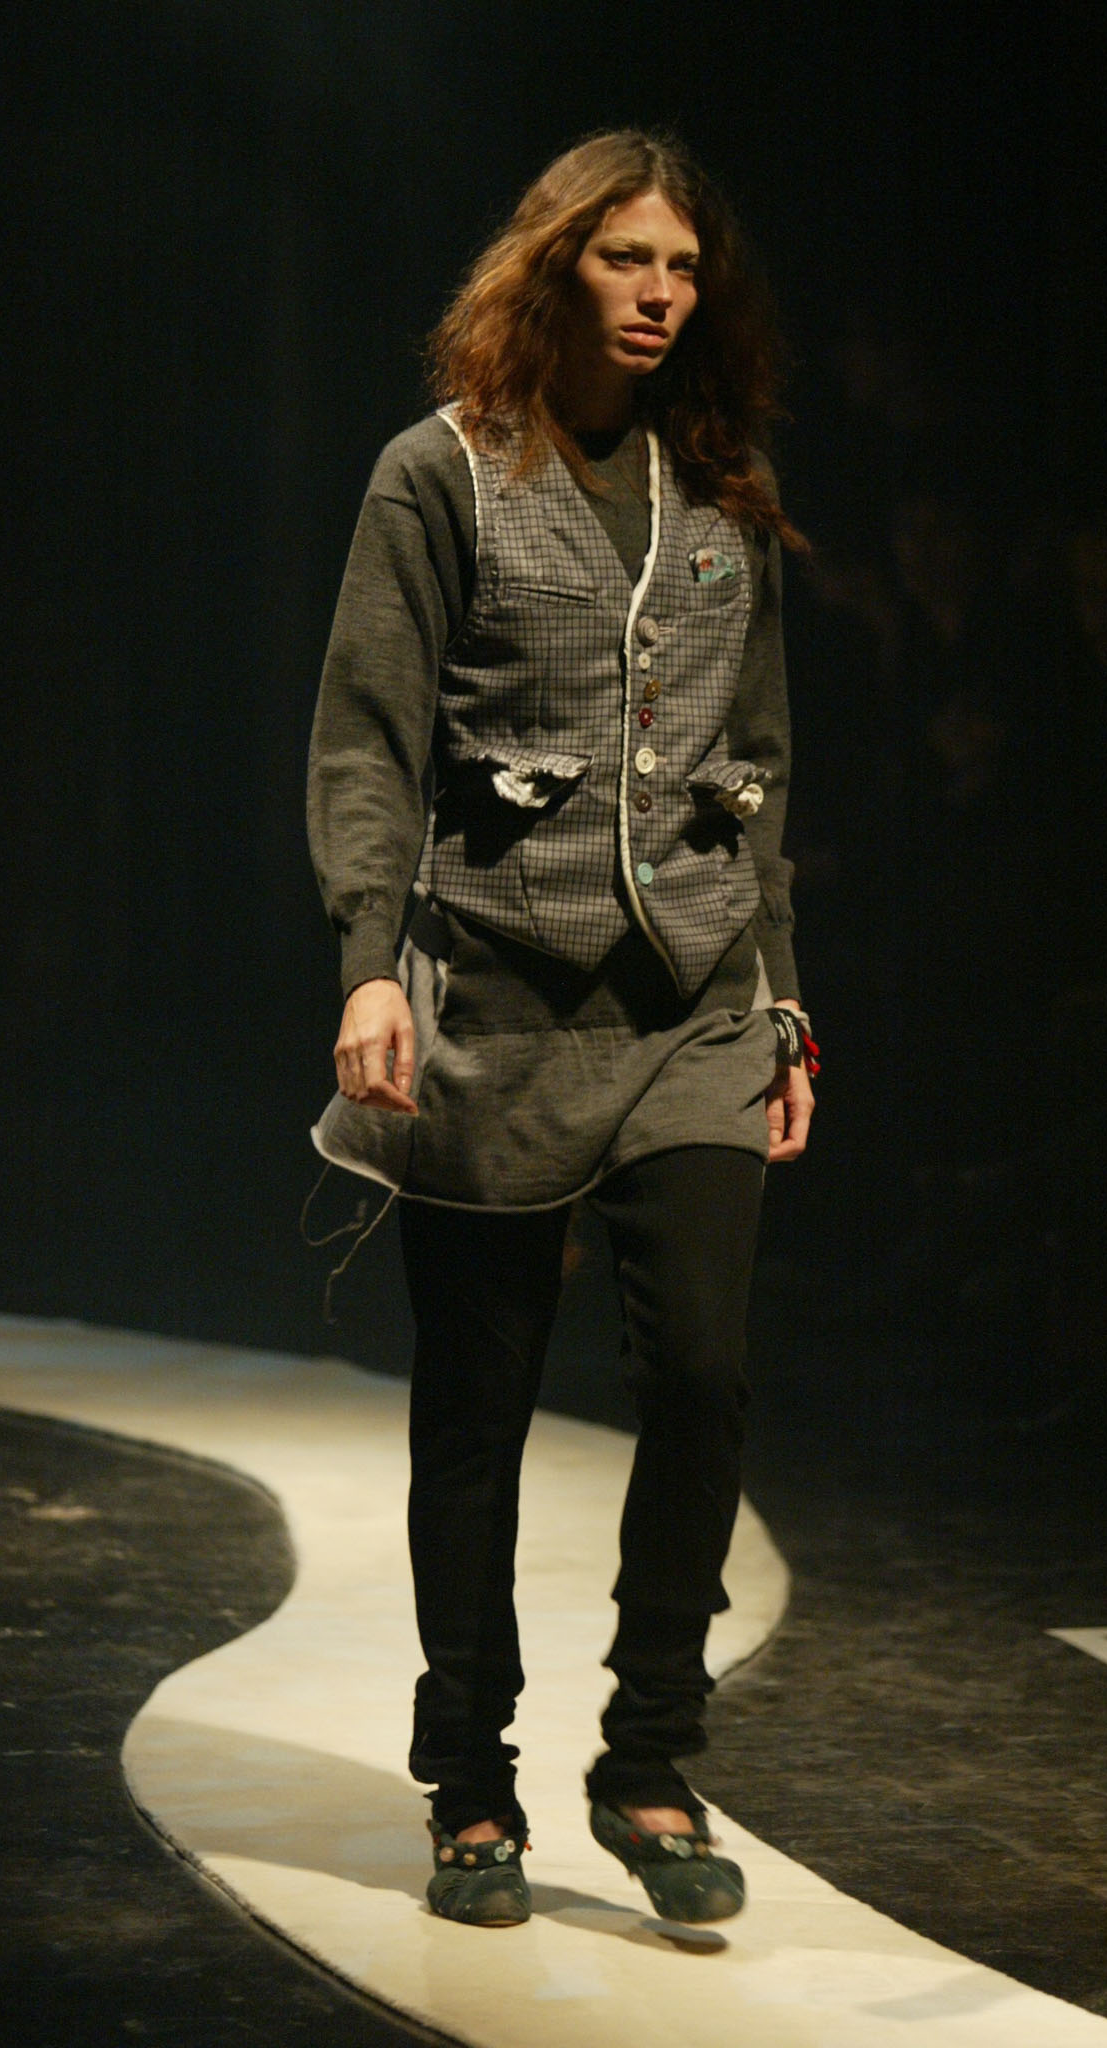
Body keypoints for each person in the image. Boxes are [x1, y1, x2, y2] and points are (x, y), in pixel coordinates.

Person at [307, 130, 814, 1928]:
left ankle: (649, 1758)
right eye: (624, 257)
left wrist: (782, 991)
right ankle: (470, 1778)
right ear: (554, 266)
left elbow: (756, 756)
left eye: (681, 263)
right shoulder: (438, 472)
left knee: (701, 1373)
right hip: (498, 995)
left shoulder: (719, 482)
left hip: (694, 999)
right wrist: (368, 959)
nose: (659, 291)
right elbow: (369, 735)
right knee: (480, 1407)